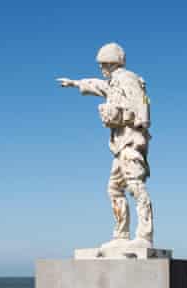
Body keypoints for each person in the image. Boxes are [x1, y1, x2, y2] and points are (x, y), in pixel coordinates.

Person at [57, 43, 154, 247]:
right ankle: (121, 235)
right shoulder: (113, 83)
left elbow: (142, 100)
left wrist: (141, 123)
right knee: (114, 188)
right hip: (119, 146)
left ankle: (145, 235)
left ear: (111, 63)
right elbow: (97, 85)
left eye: (103, 64)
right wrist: (75, 83)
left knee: (135, 185)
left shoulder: (128, 78)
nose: (101, 69)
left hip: (131, 141)